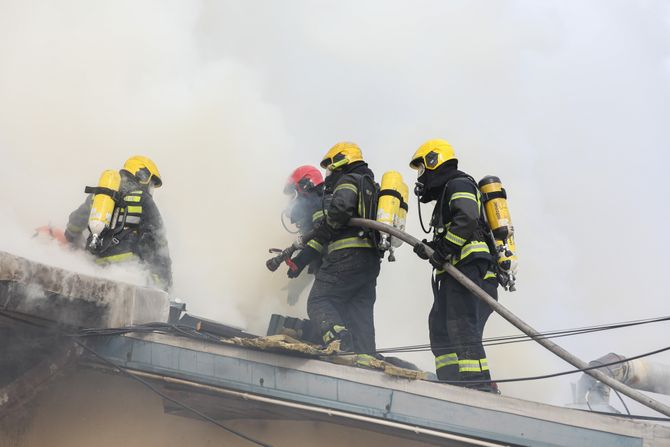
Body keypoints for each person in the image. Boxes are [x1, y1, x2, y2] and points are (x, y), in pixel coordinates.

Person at [410, 139, 498, 391]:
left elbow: (467, 218)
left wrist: (445, 248)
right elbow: (454, 230)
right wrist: (432, 248)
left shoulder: (458, 183)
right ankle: (451, 383)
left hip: (472, 269)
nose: (420, 177)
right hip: (457, 271)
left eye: (422, 169)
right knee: (439, 326)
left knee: (461, 326)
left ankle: (477, 386)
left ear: (433, 161)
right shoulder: (448, 191)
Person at [302, 142, 381, 361]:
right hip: (370, 260)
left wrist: (327, 227)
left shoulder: (348, 180)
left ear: (342, 160)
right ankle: (366, 361)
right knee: (360, 314)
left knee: (319, 301)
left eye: (331, 166)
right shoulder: (371, 185)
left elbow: (341, 208)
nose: (329, 173)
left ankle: (340, 340)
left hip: (346, 255)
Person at [64, 155, 173, 291]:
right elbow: (159, 243)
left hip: (91, 267)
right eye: (151, 184)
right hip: (126, 273)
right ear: (141, 175)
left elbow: (74, 223)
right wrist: (165, 285)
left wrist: (72, 243)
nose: (150, 189)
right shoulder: (144, 200)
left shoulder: (101, 195)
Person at [283, 165, 326, 278]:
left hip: (337, 267)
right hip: (333, 268)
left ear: (304, 185)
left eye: (294, 192)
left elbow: (321, 236)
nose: (292, 199)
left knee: (319, 297)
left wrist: (300, 261)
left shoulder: (319, 204)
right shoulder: (314, 207)